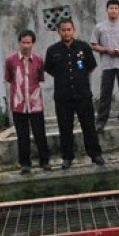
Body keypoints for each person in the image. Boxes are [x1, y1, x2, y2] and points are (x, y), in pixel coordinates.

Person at [44, 18, 105, 169]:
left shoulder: (83, 47)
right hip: (63, 96)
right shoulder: (52, 50)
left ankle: (95, 154)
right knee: (65, 128)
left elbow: (90, 66)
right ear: (59, 32)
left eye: (69, 29)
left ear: (73, 30)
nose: (66, 32)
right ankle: (67, 157)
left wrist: (80, 78)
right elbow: (50, 69)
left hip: (83, 94)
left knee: (89, 126)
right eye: (63, 30)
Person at [4, 29, 51, 173]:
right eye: (23, 42)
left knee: (40, 133)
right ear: (19, 43)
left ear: (33, 43)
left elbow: (40, 78)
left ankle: (45, 161)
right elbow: (9, 78)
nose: (26, 46)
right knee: (22, 135)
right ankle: (25, 164)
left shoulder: (38, 60)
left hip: (35, 102)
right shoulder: (10, 60)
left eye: (29, 43)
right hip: (18, 104)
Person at [91, 0, 119, 130]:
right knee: (105, 94)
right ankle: (101, 121)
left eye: (116, 8)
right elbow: (93, 45)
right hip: (107, 65)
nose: (113, 11)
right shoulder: (99, 27)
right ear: (107, 10)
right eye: (111, 8)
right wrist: (106, 50)